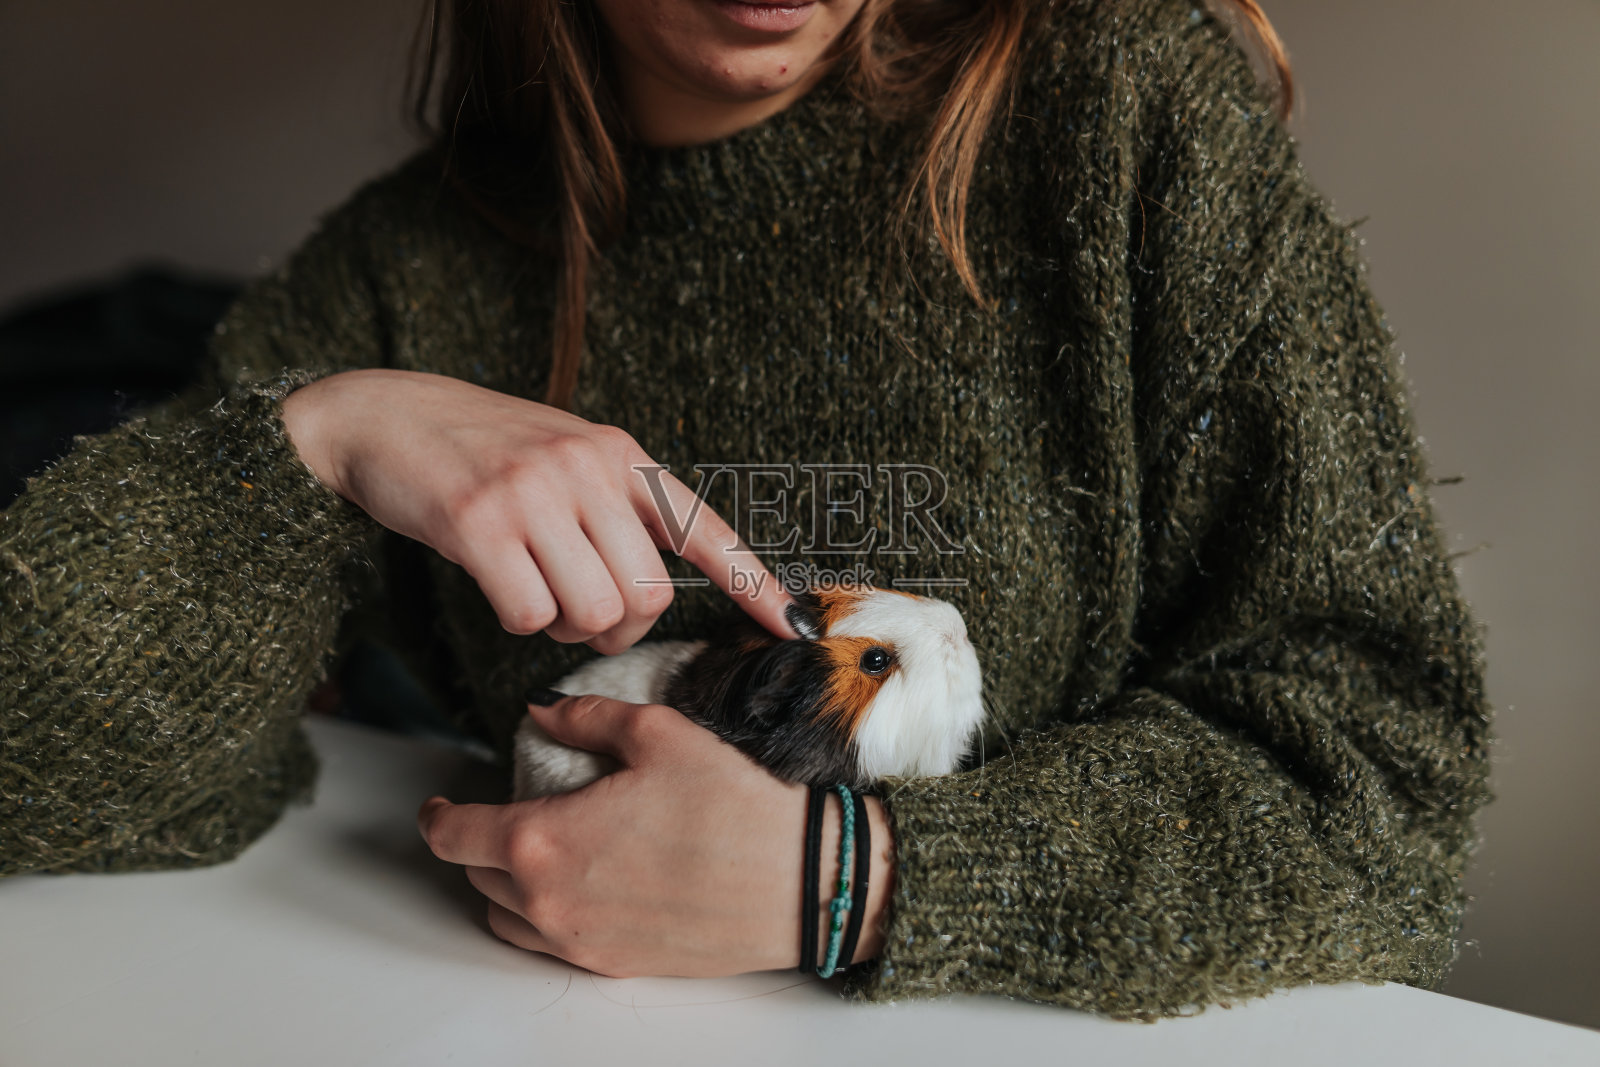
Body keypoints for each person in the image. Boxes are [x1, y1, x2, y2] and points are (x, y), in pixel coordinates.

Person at [0, 0, 1492, 1017]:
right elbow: (33, 786)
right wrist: (319, 440)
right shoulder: (403, 272)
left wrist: (853, 883)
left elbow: (1381, 773)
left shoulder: (1123, 117)